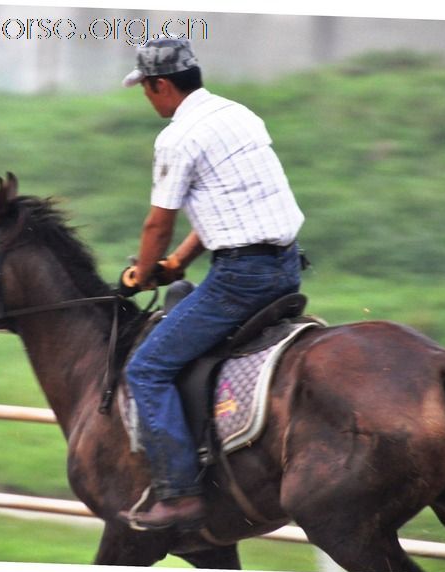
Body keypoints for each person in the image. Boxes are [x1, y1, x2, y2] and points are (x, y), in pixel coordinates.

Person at [117, 37, 305, 532]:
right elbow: (228, 204)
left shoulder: (177, 138)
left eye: (145, 89)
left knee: (146, 369)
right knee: (181, 303)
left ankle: (178, 493)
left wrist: (142, 271)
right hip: (284, 266)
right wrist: (177, 262)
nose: (146, 97)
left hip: (240, 279)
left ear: (160, 85)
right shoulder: (238, 115)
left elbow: (157, 223)